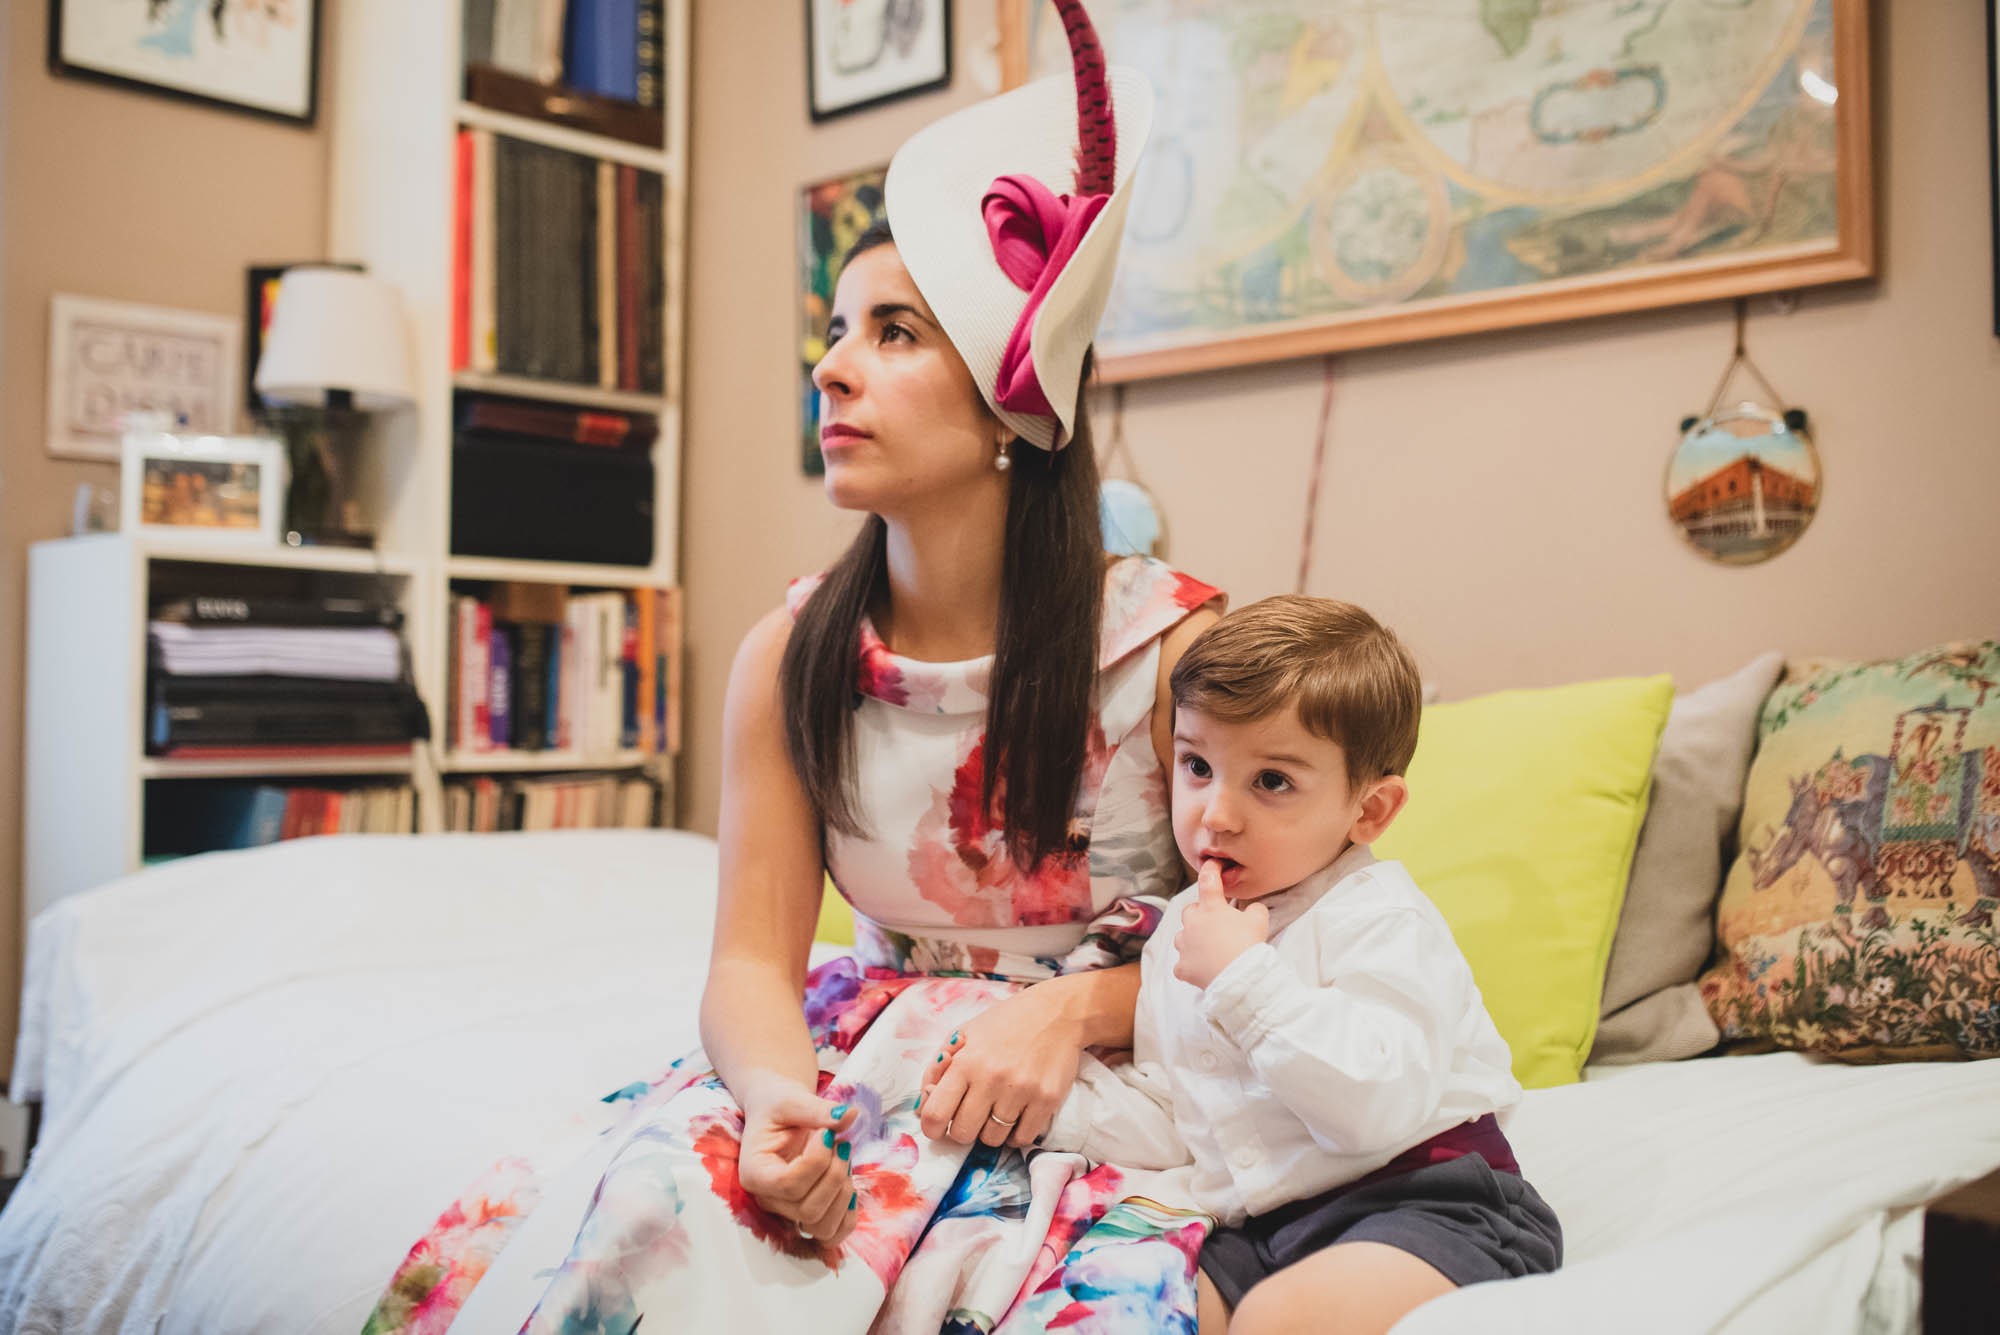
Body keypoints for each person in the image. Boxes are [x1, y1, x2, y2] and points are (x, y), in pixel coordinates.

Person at [360, 4, 1231, 1331]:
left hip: (1104, 1085)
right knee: (646, 1230)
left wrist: (1076, 1009)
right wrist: (773, 1097)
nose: (830, 367)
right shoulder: (792, 656)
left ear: (1018, 405)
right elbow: (753, 965)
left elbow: (1277, 940)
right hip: (858, 1070)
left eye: (894, 333)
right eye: (835, 329)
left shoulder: (1167, 654)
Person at [1027, 596, 1563, 1334]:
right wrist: (1059, 1112)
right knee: (1132, 1306)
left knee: (1283, 1318)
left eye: (1271, 781)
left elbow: (1374, 1106)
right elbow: (1178, 1109)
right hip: (1260, 1222)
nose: (1216, 812)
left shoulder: (1379, 916)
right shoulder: (1182, 930)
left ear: (1368, 811)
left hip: (1426, 1197)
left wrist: (1242, 978)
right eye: (1197, 764)